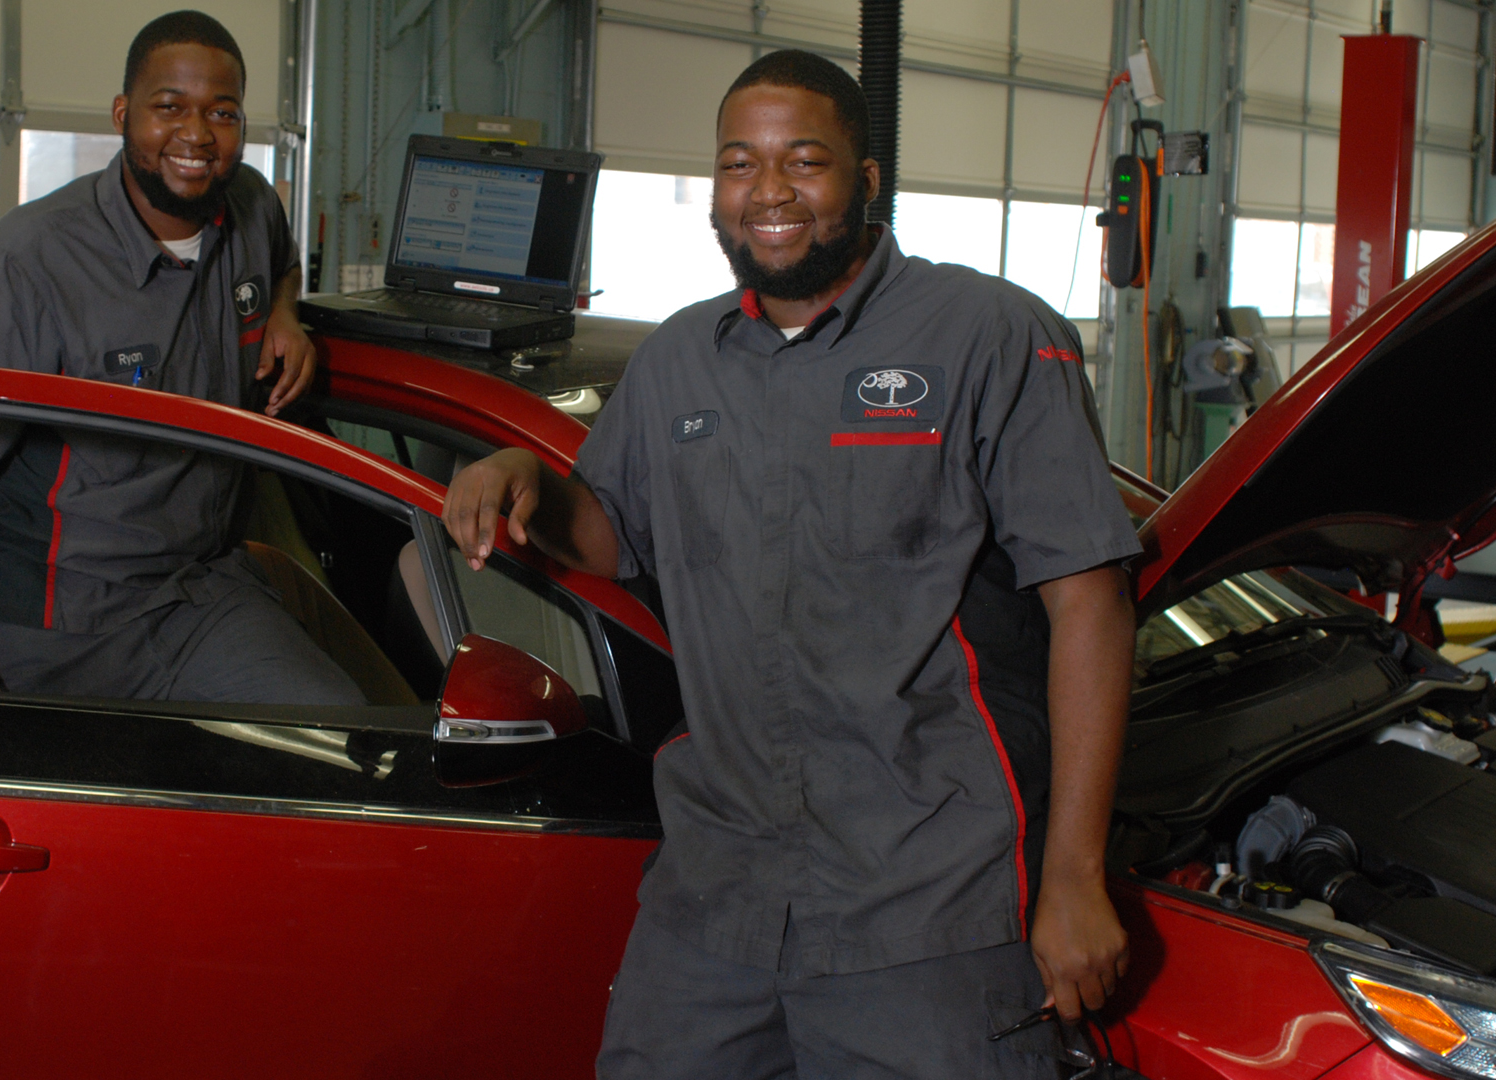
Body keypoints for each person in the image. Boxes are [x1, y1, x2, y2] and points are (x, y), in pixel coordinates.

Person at [443, 50, 1140, 1078]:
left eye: (803, 161)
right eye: (738, 164)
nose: (767, 191)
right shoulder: (680, 357)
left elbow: (1093, 602)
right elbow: (613, 535)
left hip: (926, 909)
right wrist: (524, 475)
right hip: (714, 901)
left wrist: (1075, 878)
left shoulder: (986, 334)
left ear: (865, 180)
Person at [0, 10, 362, 707]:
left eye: (223, 112)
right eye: (169, 107)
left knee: (336, 742)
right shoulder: (27, 262)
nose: (197, 134)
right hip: (54, 626)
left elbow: (282, 267)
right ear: (123, 114)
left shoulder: (251, 207)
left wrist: (284, 313)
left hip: (198, 597)